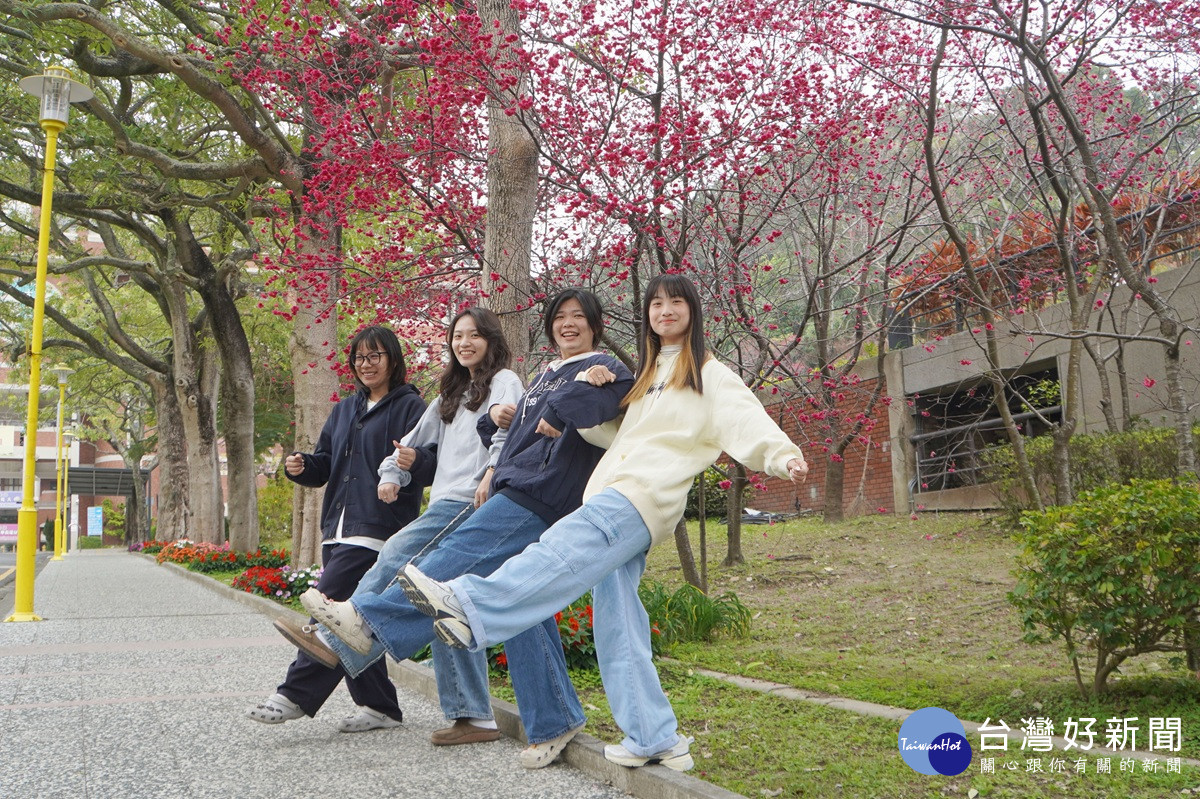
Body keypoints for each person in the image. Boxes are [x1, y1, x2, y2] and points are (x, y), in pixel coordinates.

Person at [396, 273, 810, 771]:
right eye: (656, 304)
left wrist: (783, 456)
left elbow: (745, 418)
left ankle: (469, 603)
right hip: (614, 489)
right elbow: (611, 435)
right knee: (618, 623)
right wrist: (583, 399)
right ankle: (655, 736)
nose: (665, 311)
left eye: (676, 302)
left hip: (641, 499)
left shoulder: (708, 373)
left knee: (560, 548)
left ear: (693, 312)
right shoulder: (648, 375)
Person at [274, 288, 635, 767]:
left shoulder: (605, 369)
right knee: (521, 606)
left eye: (578, 317)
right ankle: (552, 719)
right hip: (516, 484)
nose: (568, 324)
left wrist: (580, 387)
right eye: (559, 317)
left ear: (595, 323)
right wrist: (501, 422)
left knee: (432, 570)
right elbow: (512, 435)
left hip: (538, 494)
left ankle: (357, 629)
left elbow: (590, 411)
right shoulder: (544, 375)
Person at [342, 306, 524, 744]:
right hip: (445, 499)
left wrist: (491, 472)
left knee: (396, 553)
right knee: (445, 604)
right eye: (458, 335)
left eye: (474, 335)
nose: (465, 343)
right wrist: (393, 474)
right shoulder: (452, 393)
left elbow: (511, 428)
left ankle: (351, 629)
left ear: (491, 340)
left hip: (470, 502)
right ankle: (472, 716)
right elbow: (409, 446)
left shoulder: (504, 381)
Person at [248, 326, 426, 731]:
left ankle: (293, 694)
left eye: (375, 356)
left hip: (379, 529)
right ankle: (380, 707)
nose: (366, 365)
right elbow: (325, 464)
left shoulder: (411, 408)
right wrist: (303, 466)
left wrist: (411, 463)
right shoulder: (345, 408)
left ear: (393, 360)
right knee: (354, 617)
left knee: (330, 611)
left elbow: (426, 462)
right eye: (360, 358)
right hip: (339, 527)